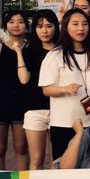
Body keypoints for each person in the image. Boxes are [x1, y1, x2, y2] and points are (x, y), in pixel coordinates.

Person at [39, 8, 90, 161]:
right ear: (65, 27)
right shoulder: (55, 55)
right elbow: (46, 89)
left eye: (84, 24)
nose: (81, 28)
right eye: (75, 24)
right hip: (64, 124)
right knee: (64, 168)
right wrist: (65, 89)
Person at [0, 10, 29, 170]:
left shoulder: (31, 48)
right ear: (5, 26)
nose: (16, 25)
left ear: (27, 26)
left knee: (21, 148)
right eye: (11, 22)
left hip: (23, 104)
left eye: (21, 21)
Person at [21, 9, 58, 169]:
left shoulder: (63, 51)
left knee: (56, 159)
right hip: (35, 110)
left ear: (56, 27)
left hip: (59, 109)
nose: (44, 31)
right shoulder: (28, 52)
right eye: (39, 26)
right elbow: (24, 80)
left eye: (49, 26)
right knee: (36, 159)